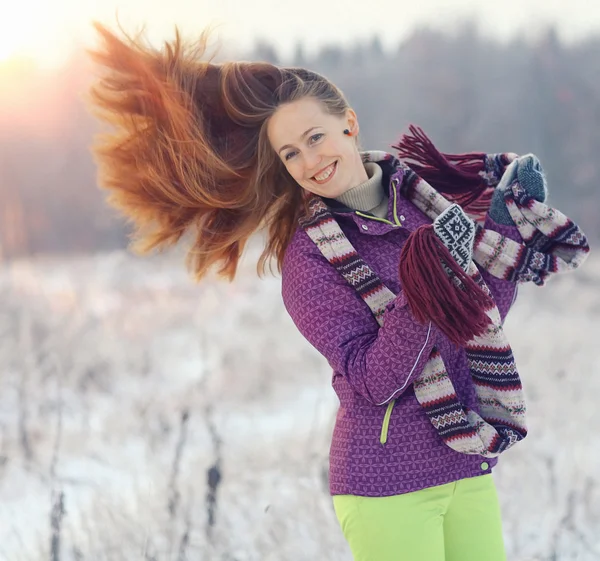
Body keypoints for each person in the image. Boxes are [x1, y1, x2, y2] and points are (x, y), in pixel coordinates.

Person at [87, 23, 590, 561]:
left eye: (315, 138)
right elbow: (375, 380)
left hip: (466, 460)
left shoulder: (424, 204)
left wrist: (505, 226)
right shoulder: (309, 259)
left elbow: (478, 319)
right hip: (386, 483)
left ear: (349, 124)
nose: (309, 161)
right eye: (290, 154)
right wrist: (424, 285)